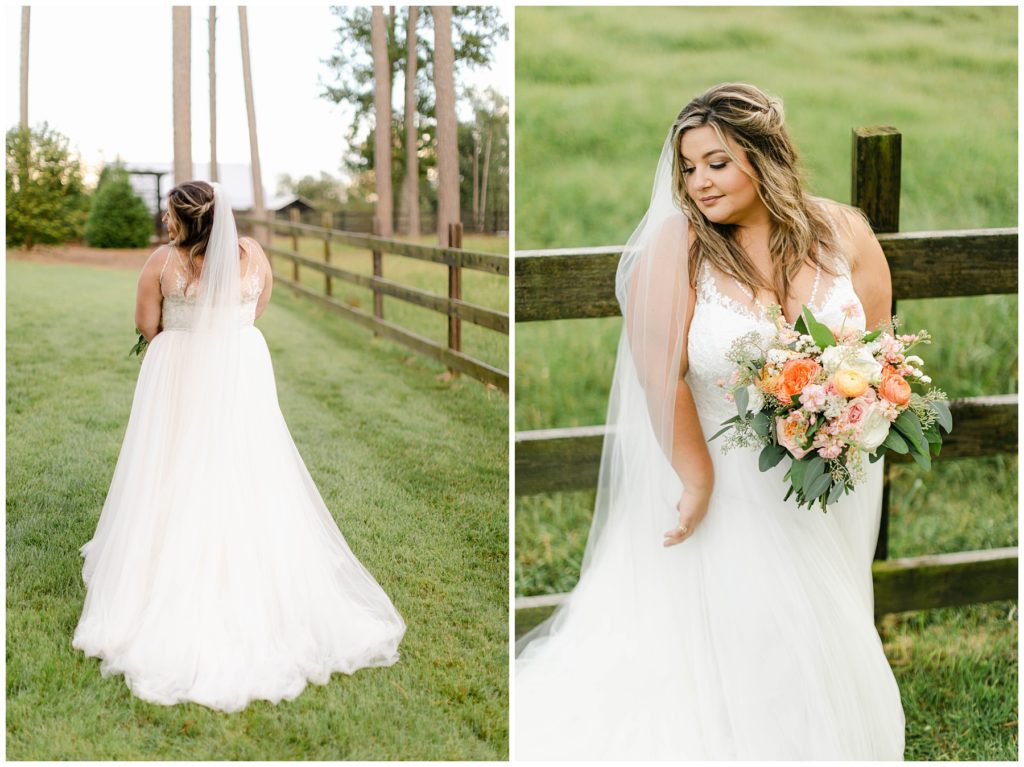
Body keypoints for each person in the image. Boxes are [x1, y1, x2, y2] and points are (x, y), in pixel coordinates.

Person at [515, 83, 905, 760]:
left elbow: (881, 345)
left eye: (717, 163)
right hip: (728, 487)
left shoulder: (844, 231)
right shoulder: (680, 248)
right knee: (747, 632)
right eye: (688, 167)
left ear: (764, 155)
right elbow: (657, 376)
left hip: (833, 475)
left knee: (823, 621)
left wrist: (855, 415)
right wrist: (696, 481)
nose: (699, 182)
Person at [72, 181, 405, 713]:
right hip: (239, 367)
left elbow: (146, 323)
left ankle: (171, 555)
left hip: (178, 369)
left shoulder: (163, 261)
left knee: (175, 460)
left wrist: (187, 337)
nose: (164, 220)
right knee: (242, 459)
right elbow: (259, 306)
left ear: (184, 221)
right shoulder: (252, 256)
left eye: (169, 213)